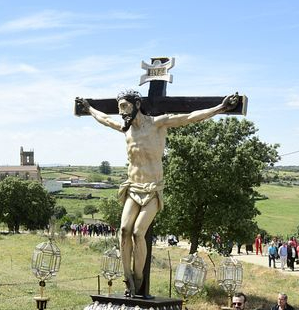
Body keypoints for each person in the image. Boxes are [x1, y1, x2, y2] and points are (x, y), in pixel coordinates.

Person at [78, 91, 240, 297]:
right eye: (120, 108)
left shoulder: (157, 123)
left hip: (153, 188)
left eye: (125, 107)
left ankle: (139, 279)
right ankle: (127, 279)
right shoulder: (125, 128)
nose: (122, 113)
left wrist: (220, 108)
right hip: (133, 187)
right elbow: (104, 118)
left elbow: (189, 117)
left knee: (138, 232)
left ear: (137, 104)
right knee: (124, 230)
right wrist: (89, 108)